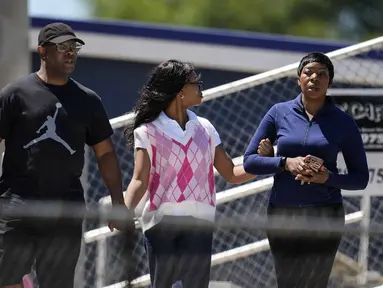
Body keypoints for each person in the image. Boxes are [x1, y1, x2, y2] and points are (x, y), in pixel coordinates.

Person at [123, 59, 274, 288]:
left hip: (200, 224)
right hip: (162, 225)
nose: (201, 88)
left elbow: (231, 172)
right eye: (197, 83)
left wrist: (267, 163)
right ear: (181, 91)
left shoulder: (205, 128)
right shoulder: (147, 131)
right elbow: (139, 179)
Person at [0, 22, 127, 288]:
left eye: (74, 47)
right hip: (16, 205)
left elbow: (105, 154)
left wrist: (118, 201)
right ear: (43, 52)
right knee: (5, 278)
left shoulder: (88, 100)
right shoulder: (15, 94)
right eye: (62, 47)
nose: (70, 52)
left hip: (65, 210)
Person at [243, 52, 369, 288]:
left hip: (324, 215)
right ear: (298, 79)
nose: (314, 78)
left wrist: (327, 178)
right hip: (282, 212)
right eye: (308, 73)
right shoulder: (278, 112)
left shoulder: (343, 122)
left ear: (329, 82)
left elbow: (360, 178)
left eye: (322, 74)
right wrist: (283, 162)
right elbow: (249, 161)